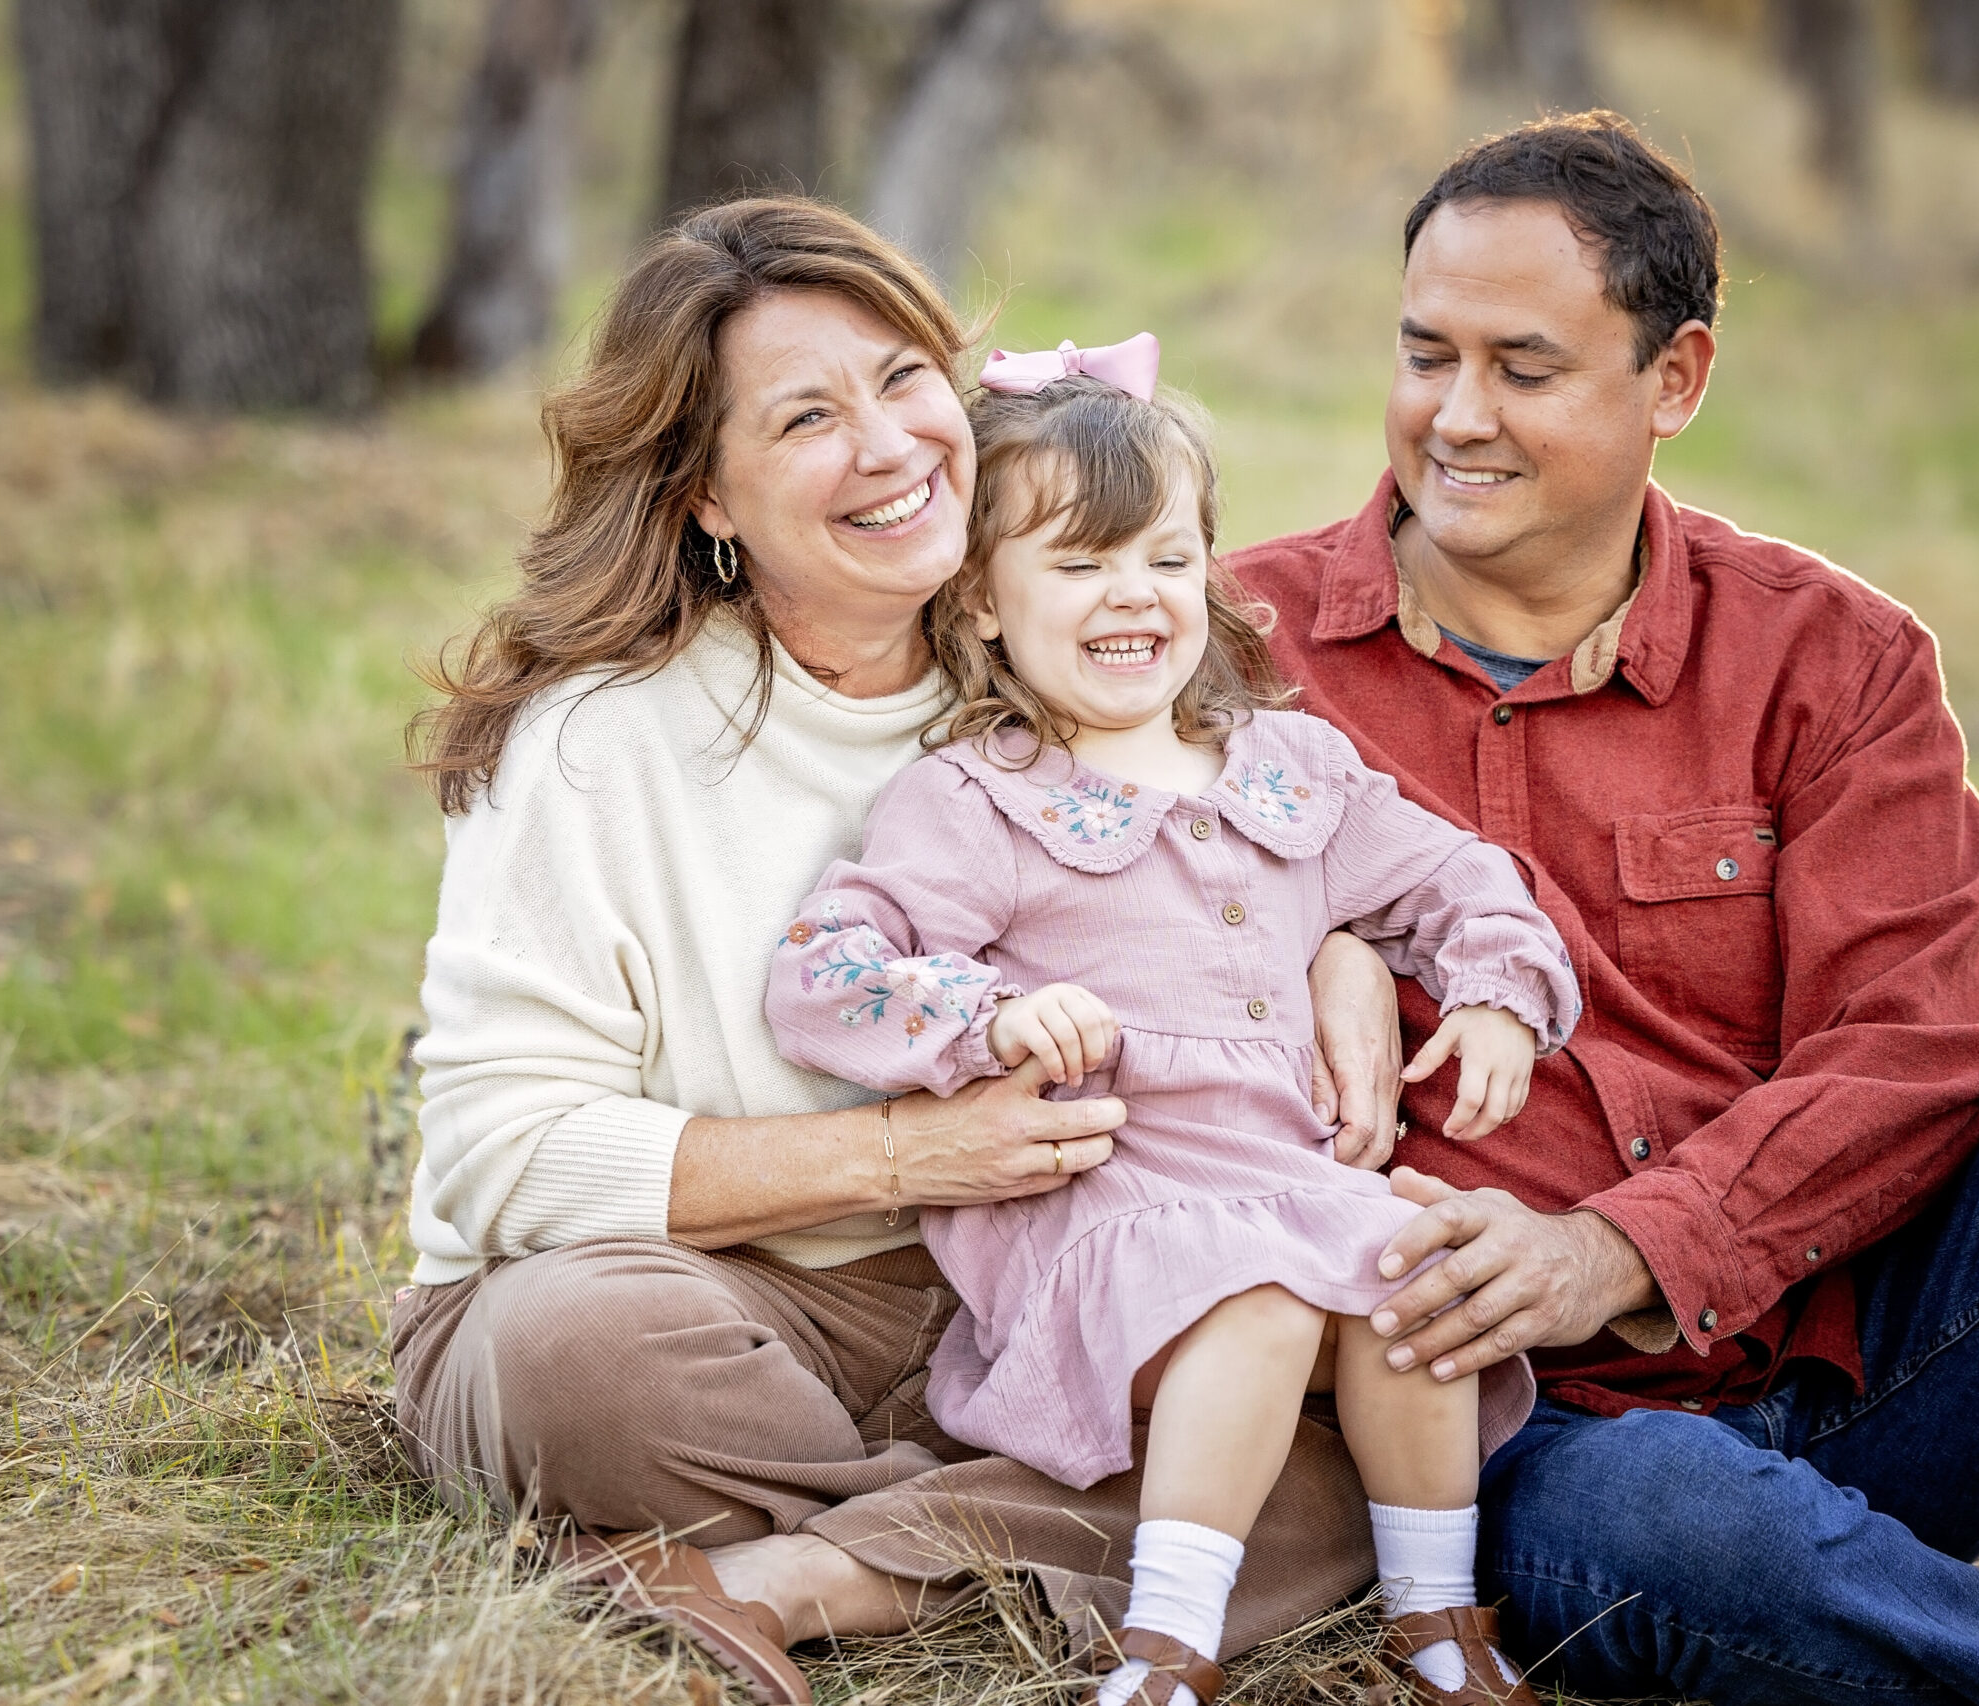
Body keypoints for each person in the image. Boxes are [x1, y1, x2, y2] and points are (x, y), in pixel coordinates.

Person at [1226, 114, 1979, 1705]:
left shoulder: (1831, 659)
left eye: (1524, 367)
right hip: (1532, 1453)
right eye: (1423, 352)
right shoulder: (1231, 656)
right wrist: (1317, 949)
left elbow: (1925, 1043)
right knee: (1677, 1515)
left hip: (1860, 1368)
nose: (1456, 417)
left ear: (1677, 380)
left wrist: (1620, 1243)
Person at [389, 198, 1411, 1706]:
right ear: (708, 495)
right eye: (807, 415)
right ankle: (993, 1527)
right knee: (572, 1357)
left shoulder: (1059, 647)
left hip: (1024, 1288)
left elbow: (1276, 832)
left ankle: (776, 1570)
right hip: (710, 1294)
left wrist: (1339, 949)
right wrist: (900, 1157)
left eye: (903, 378)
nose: (890, 446)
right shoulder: (601, 744)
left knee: (1340, 1473)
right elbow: (502, 1151)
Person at [766, 349, 1571, 1706]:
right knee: (1249, 1299)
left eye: (1166, 557)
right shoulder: (977, 800)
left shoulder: (1289, 768)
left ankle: (1437, 1619)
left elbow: (1456, 878)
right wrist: (990, 1013)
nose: (1132, 595)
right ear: (980, 599)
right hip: (1110, 1212)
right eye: (1078, 565)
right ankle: (1167, 1643)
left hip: (1289, 1186)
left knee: (1416, 1275)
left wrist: (1496, 987)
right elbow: (823, 971)